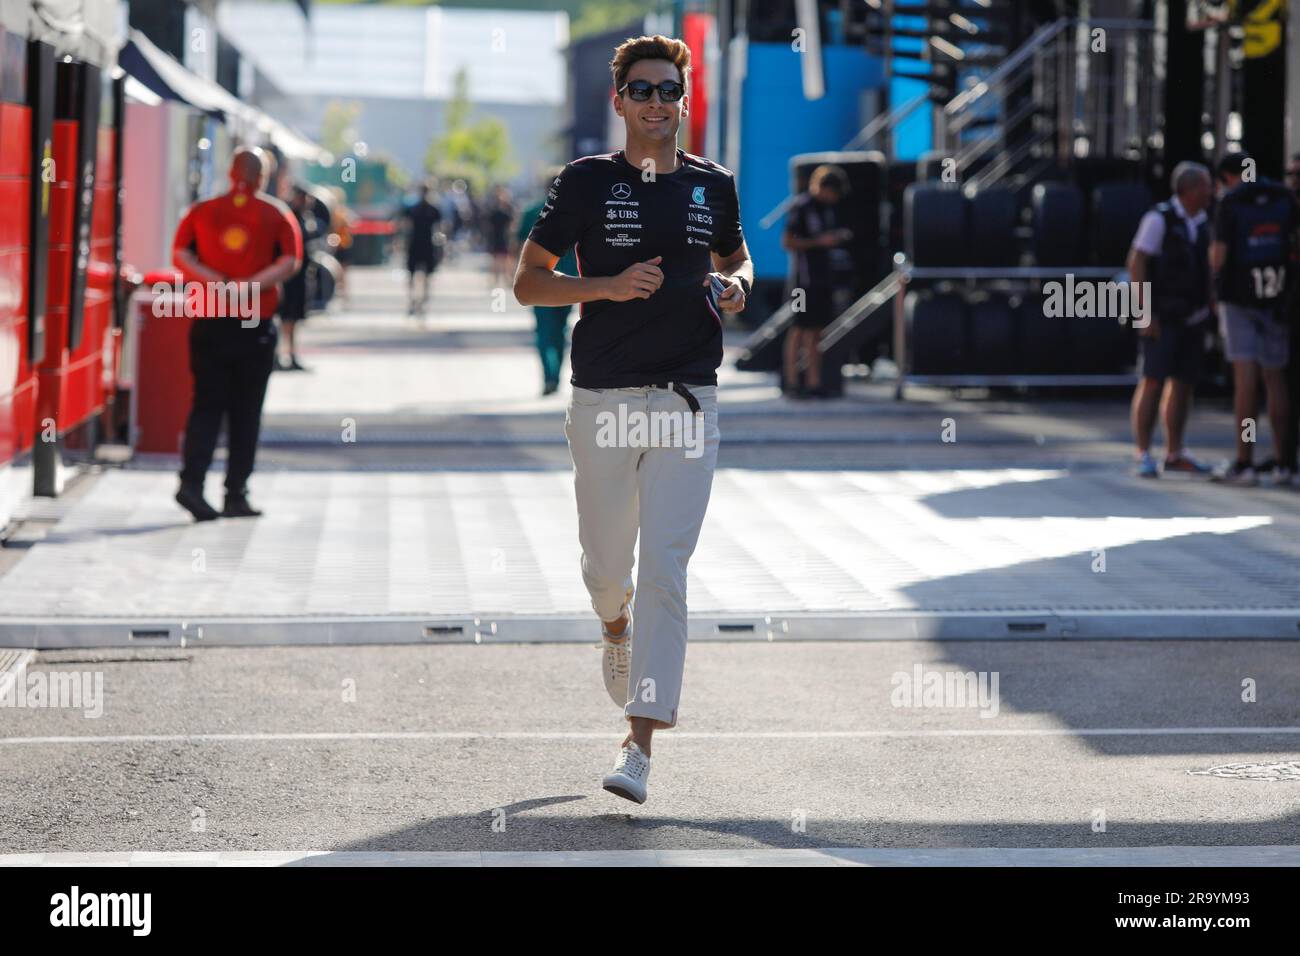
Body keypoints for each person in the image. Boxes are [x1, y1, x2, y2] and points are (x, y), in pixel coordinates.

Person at [513, 34, 752, 804]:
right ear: (618, 100)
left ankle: (639, 743)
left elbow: (735, 258)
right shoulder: (585, 182)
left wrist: (738, 286)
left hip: (690, 401)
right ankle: (610, 627)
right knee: (609, 567)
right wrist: (607, 288)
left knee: (667, 573)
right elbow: (528, 284)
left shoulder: (714, 184)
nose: (658, 102)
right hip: (606, 402)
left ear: (683, 100)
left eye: (669, 90)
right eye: (643, 90)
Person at [172, 146, 302, 520]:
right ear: (264, 176)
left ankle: (192, 484)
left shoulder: (203, 211)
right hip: (253, 324)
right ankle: (235, 493)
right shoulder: (277, 214)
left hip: (210, 321)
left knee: (206, 405)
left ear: (230, 172)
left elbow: (181, 253)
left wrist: (218, 283)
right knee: (246, 412)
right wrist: (251, 286)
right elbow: (290, 261)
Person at [1209, 151, 1300, 486]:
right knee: (1276, 381)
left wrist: (1214, 291)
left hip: (1240, 299)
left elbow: (1218, 257)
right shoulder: (1283, 197)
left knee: (1245, 381)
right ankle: (1284, 461)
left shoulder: (1231, 203)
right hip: (1277, 297)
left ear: (1227, 177)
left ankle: (1245, 459)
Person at [1126, 161, 1214, 478]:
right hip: (1162, 316)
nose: (1210, 192)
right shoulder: (1158, 219)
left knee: (1184, 383)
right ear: (1189, 190)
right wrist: (1144, 311)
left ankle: (1175, 452)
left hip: (1194, 315)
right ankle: (1143, 452)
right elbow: (1136, 262)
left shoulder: (1203, 222)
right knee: (1152, 380)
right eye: (1205, 186)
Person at [781, 164, 854, 398]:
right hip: (803, 280)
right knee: (799, 330)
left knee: (816, 331)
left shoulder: (827, 210)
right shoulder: (802, 207)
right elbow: (788, 242)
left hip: (823, 279)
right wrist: (820, 242)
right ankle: (792, 382)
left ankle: (814, 382)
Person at [516, 169, 577, 395]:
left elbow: (520, 244)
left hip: (538, 280)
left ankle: (548, 376)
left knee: (543, 330)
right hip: (568, 281)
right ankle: (555, 376)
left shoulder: (532, 210)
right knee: (560, 329)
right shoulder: (577, 212)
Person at [277, 186, 320, 371]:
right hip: (288, 277)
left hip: (301, 274)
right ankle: (280, 354)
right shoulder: (289, 217)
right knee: (286, 317)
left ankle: (291, 354)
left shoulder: (305, 218)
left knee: (293, 318)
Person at [402, 183, 445, 317]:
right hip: (426, 244)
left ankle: (415, 299)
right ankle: (421, 299)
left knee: (414, 275)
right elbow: (441, 229)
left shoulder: (414, 208)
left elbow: (405, 226)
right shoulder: (433, 209)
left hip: (416, 243)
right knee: (424, 275)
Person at [485, 185, 516, 290]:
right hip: (498, 237)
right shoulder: (496, 212)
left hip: (502, 237)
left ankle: (505, 279)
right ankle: (497, 279)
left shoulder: (504, 211)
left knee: (504, 259)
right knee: (497, 259)